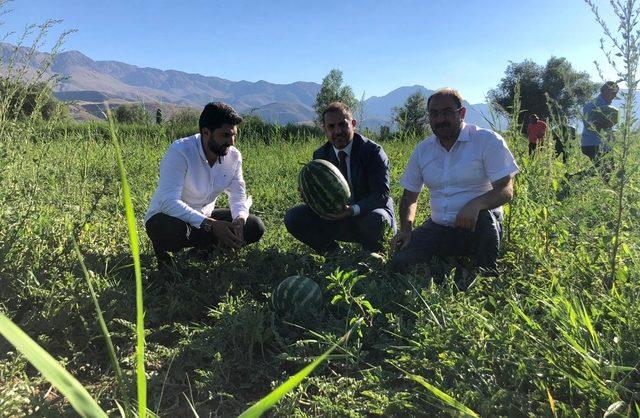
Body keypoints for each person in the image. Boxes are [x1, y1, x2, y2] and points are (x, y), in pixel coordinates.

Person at [389, 88, 519, 278]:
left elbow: (506, 189)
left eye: (447, 112)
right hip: (439, 226)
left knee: (485, 218)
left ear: (462, 113)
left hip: (478, 226)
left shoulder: (486, 141)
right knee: (400, 262)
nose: (440, 119)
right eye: (434, 114)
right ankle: (450, 263)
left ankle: (485, 273)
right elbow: (409, 196)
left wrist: (475, 205)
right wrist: (406, 230)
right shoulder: (422, 150)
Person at [145, 102, 265, 267]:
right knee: (164, 227)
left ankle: (202, 252)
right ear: (206, 132)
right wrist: (212, 225)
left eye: (234, 135)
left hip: (206, 218)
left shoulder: (234, 157)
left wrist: (239, 219)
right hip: (173, 218)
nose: (232, 142)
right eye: (225, 135)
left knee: (253, 226)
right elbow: (168, 202)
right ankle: (165, 256)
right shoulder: (180, 152)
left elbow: (238, 194)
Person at [284, 102, 395, 254]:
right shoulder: (320, 155)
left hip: (367, 215)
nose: (337, 131)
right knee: (294, 217)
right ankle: (333, 252)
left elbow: (381, 195)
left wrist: (352, 210)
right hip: (338, 218)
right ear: (324, 129)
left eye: (343, 125)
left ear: (353, 124)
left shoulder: (372, 151)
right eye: (331, 127)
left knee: (377, 220)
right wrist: (310, 197)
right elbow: (321, 195)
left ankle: (372, 253)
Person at [581, 81, 619, 171]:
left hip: (604, 145)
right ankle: (571, 179)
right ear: (605, 91)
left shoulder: (607, 106)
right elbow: (589, 124)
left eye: (616, 93)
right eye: (613, 93)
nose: (614, 96)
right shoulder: (592, 105)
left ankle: (572, 179)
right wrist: (605, 124)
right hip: (593, 144)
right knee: (605, 171)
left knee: (608, 171)